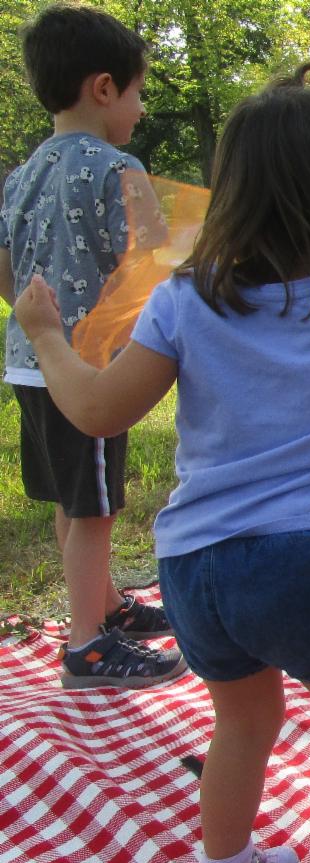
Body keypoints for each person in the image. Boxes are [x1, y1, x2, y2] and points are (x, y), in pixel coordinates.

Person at [14, 66, 310, 863]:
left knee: (241, 725)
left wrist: (47, 337)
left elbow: (97, 411)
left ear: (232, 191)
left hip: (196, 565)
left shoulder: (185, 301)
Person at [0, 4, 184, 690]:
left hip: (30, 360)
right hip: (91, 370)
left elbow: (4, 266)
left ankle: (104, 606)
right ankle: (88, 646)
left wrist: (37, 320)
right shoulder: (118, 169)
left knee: (68, 497)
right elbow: (155, 259)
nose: (141, 108)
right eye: (138, 92)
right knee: (96, 508)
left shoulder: (20, 175)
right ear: (103, 88)